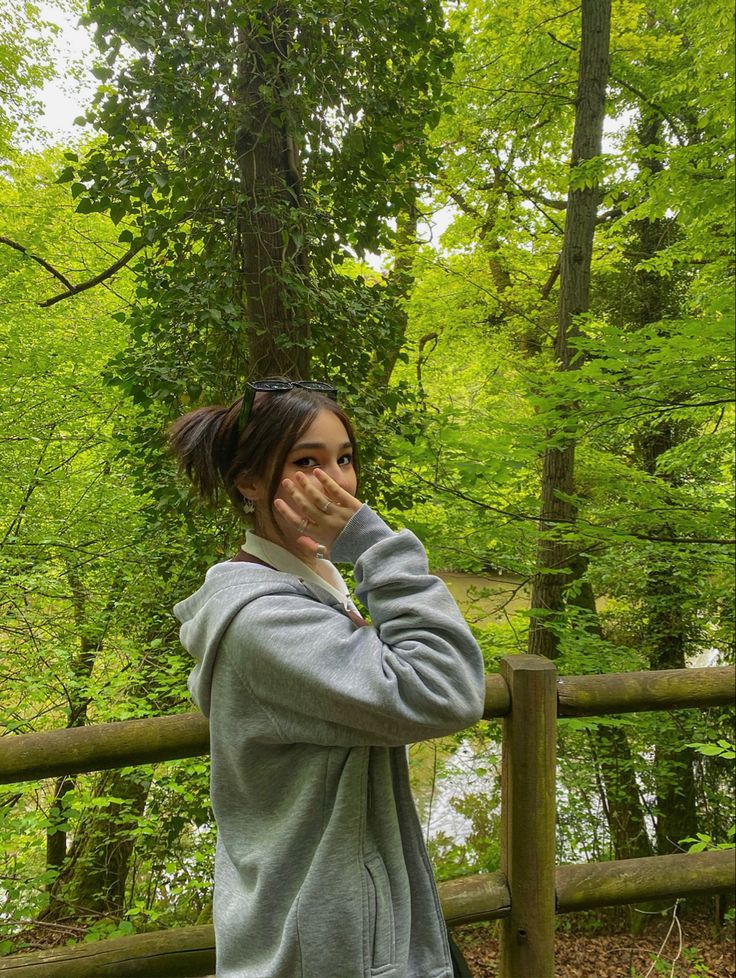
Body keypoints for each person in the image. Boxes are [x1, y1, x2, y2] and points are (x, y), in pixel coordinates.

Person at [170, 378, 485, 978]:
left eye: (344, 459)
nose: (336, 482)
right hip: (329, 939)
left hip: (362, 920)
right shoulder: (266, 620)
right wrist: (375, 542)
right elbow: (446, 689)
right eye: (305, 462)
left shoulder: (314, 583)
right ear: (250, 482)